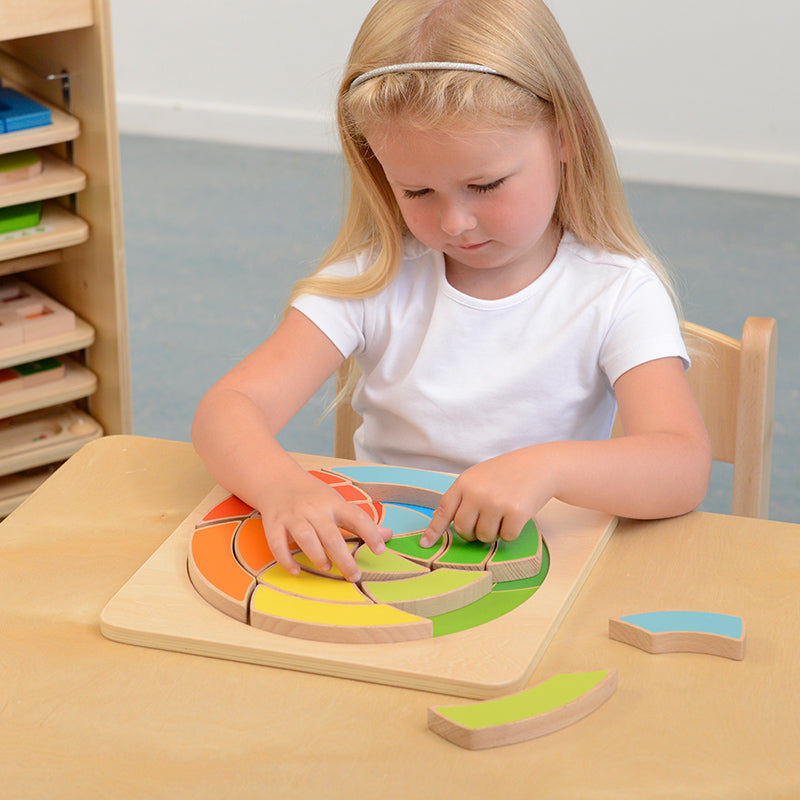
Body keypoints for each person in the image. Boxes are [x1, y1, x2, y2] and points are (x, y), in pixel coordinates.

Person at [192, 0, 712, 583]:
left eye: (484, 184)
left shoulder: (616, 291)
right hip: (385, 564)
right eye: (416, 192)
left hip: (542, 568)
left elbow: (683, 465)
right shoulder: (372, 277)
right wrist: (282, 488)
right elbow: (227, 409)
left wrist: (549, 468)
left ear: (566, 136)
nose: (455, 223)